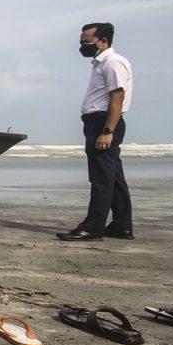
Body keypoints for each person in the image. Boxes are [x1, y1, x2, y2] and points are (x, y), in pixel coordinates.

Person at [57, 22, 134, 241]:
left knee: (101, 178)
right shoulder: (100, 63)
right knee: (114, 177)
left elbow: (117, 96)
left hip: (104, 123)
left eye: (87, 41)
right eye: (81, 41)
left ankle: (93, 227)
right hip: (98, 122)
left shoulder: (113, 62)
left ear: (103, 40)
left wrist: (108, 130)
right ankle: (121, 225)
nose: (82, 45)